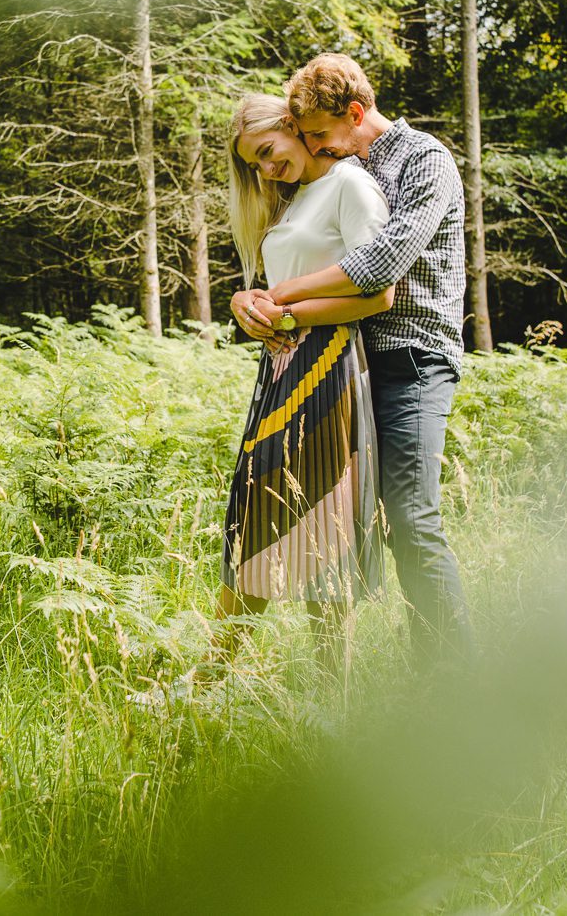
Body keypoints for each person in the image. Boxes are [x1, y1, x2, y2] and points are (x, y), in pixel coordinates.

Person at [145, 94, 397, 703]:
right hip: (280, 368)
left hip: (330, 364)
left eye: (266, 153)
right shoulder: (296, 202)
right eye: (253, 165)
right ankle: (211, 678)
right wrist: (247, 302)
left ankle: (327, 693)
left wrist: (285, 312)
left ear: (291, 126)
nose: (264, 171)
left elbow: (380, 292)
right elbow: (275, 290)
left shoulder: (349, 186)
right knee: (259, 510)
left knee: (322, 517)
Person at [231, 53, 474, 660]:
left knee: (411, 519)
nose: (310, 146)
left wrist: (279, 298)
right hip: (355, 359)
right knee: (339, 518)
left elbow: (382, 266)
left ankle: (456, 682)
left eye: (315, 134)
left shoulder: (424, 160)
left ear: (355, 115)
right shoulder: (342, 167)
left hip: (413, 357)